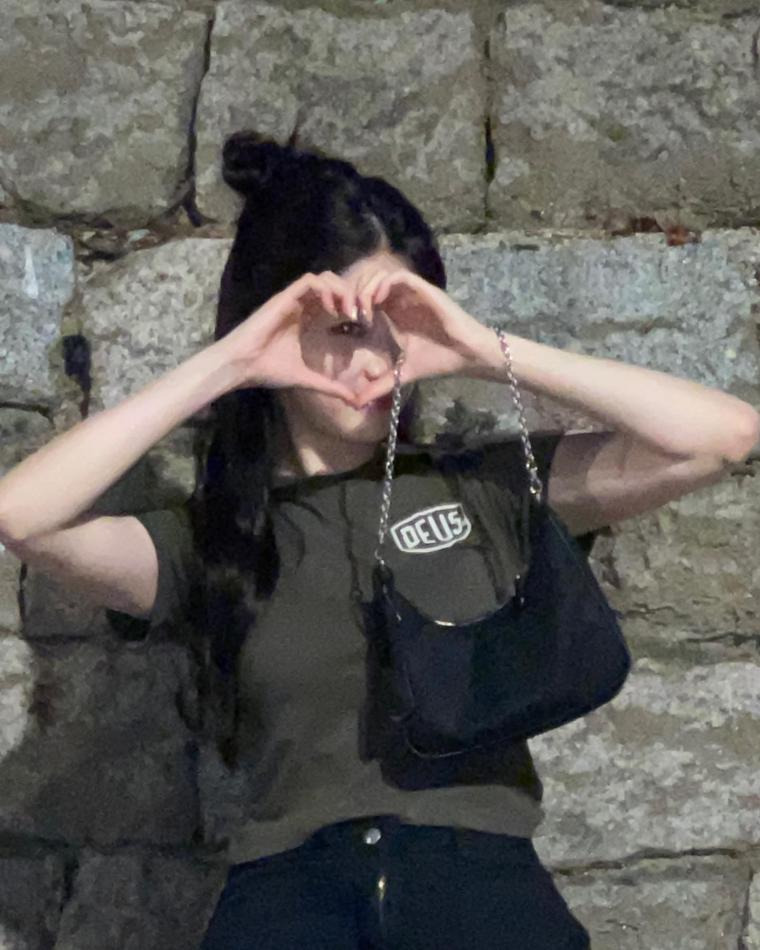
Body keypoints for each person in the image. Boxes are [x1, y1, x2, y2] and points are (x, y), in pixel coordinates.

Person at [1, 129, 756, 949]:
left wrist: (479, 347)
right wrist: (232, 362)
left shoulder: (483, 489)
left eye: (397, 327)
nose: (375, 362)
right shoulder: (211, 539)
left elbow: (720, 437)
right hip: (289, 903)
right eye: (347, 328)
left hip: (480, 890)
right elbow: (23, 516)